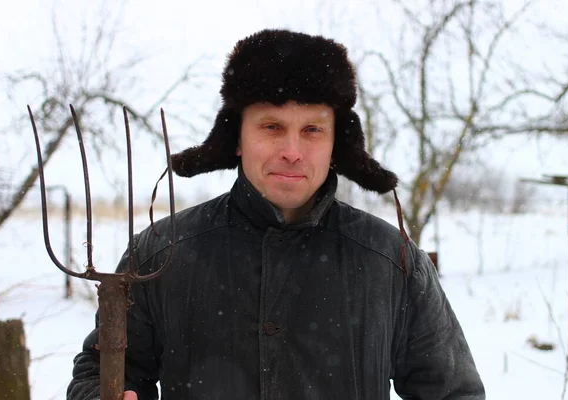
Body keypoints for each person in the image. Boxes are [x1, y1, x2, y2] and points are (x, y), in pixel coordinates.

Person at [67, 29, 485, 400]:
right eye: (272, 127)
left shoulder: (391, 260)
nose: (292, 150)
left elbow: (452, 392)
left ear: (336, 143)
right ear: (236, 139)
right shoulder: (163, 252)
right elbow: (100, 371)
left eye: (311, 130)